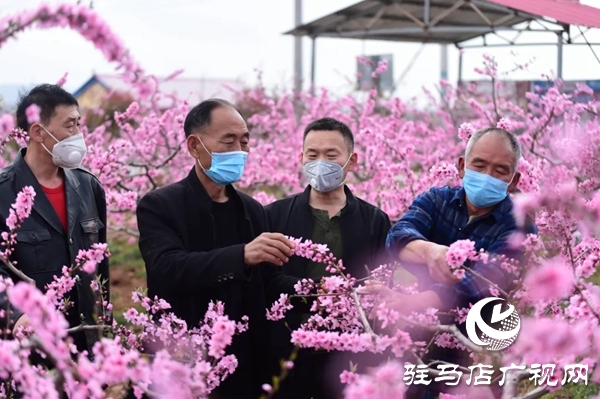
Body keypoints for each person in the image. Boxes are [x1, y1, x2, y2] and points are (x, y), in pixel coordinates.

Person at [136, 98, 301, 399]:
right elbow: (168, 267)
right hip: (182, 357)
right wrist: (242, 256)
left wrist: (317, 290)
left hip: (244, 362)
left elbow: (269, 281)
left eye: (245, 141)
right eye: (228, 141)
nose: (239, 150)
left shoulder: (253, 211)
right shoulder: (160, 205)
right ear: (194, 146)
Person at [363, 127, 537, 399]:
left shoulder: (520, 227)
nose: (487, 175)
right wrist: (429, 251)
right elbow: (398, 236)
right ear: (461, 166)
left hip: (477, 349)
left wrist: (416, 301)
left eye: (500, 170)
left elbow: (480, 286)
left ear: (513, 180)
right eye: (479, 165)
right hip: (419, 340)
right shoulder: (436, 201)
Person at [265, 117, 392, 399]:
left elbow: (384, 278)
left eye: (331, 155)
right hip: (288, 347)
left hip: (350, 355)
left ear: (352, 160)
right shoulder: (274, 215)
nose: (320, 162)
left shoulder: (375, 221)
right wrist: (314, 289)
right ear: (301, 158)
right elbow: (265, 279)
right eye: (313, 154)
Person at [0, 84, 109, 355]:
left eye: (78, 125)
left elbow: (101, 266)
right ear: (38, 132)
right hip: (31, 347)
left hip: (86, 343)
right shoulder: (3, 193)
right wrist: (15, 313)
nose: (77, 135)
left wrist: (104, 327)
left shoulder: (88, 187)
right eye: (69, 125)